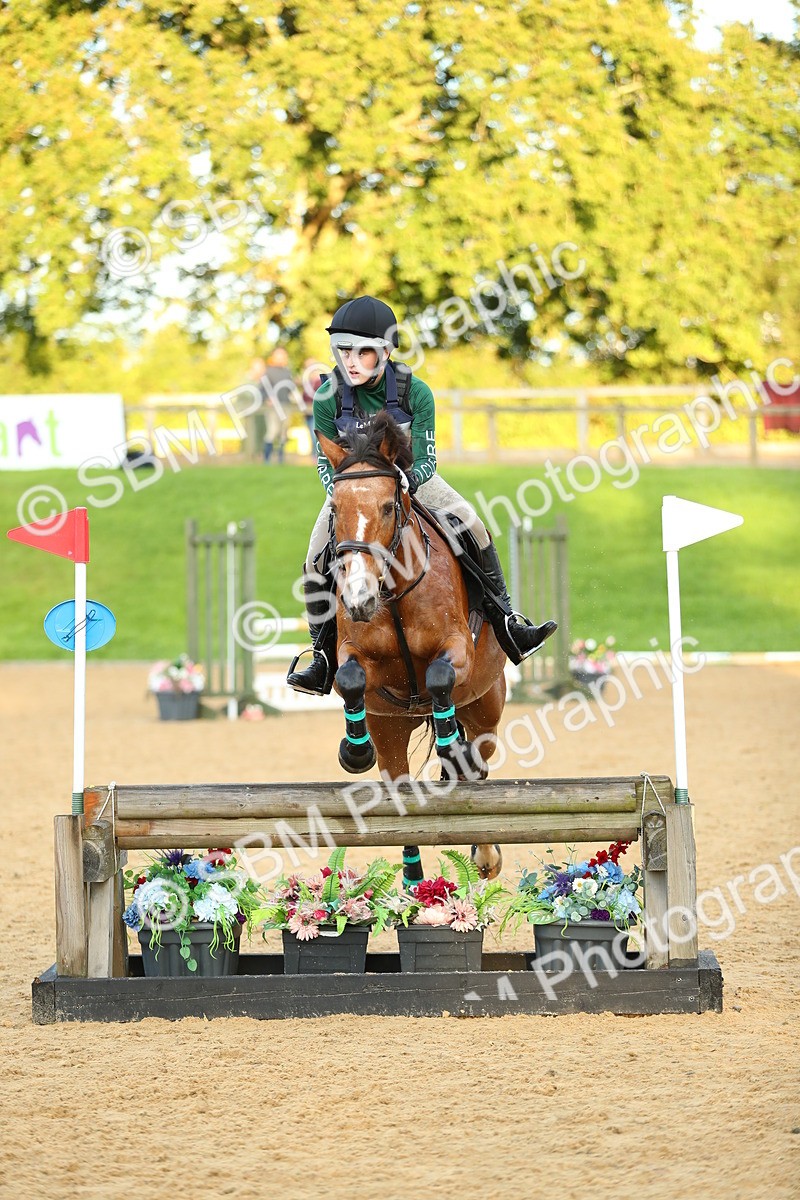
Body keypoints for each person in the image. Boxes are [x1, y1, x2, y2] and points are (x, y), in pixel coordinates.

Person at [286, 295, 557, 695]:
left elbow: (429, 457)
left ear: (386, 351)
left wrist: (403, 481)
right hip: (352, 493)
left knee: (475, 526)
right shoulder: (327, 397)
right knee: (314, 556)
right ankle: (322, 654)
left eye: (364, 351)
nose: (352, 361)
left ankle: (507, 621)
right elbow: (326, 464)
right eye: (344, 350)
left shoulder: (417, 392)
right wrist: (348, 496)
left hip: (415, 479)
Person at [261, 348, 299, 464]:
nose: (281, 358)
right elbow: (262, 388)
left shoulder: (287, 371)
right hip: (273, 407)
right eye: (279, 355)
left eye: (283, 355)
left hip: (285, 404)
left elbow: (290, 389)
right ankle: (267, 459)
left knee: (283, 432)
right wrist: (267, 398)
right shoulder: (268, 371)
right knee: (272, 431)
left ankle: (280, 459)